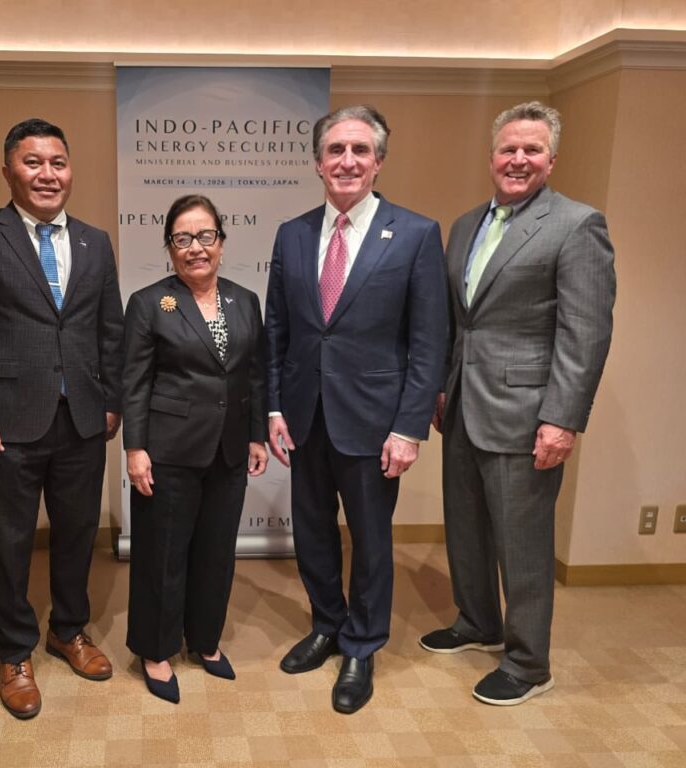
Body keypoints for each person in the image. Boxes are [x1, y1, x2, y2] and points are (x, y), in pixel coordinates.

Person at [419, 101, 615, 706]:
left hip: (528, 415)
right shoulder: (466, 224)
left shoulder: (578, 225)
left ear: (552, 159)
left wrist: (562, 418)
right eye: (508, 149)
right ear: (492, 157)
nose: (518, 159)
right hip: (463, 406)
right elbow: (462, 321)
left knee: (523, 544)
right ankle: (478, 623)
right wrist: (443, 385)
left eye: (532, 150)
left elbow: (585, 332)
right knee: (467, 528)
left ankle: (529, 662)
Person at [0, 118, 124, 720]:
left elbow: (109, 329)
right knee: (10, 542)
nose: (48, 174)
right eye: (34, 162)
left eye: (58, 163)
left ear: (71, 171)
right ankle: (14, 649)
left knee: (76, 534)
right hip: (6, 420)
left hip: (83, 419)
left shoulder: (95, 242)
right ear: (8, 171)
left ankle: (68, 630)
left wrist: (113, 397)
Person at [265, 105, 447, 714]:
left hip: (375, 423)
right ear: (318, 161)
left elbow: (428, 341)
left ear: (378, 161)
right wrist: (272, 408)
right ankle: (326, 624)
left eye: (360, 151)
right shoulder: (291, 233)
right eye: (336, 150)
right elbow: (277, 331)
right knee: (312, 532)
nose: (347, 161)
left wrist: (408, 426)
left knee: (370, 542)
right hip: (304, 415)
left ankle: (362, 646)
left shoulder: (417, 233)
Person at [123, 195, 268, 704]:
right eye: (182, 239)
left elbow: (254, 374)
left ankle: (204, 640)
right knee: (162, 555)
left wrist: (255, 434)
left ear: (222, 244)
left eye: (205, 236)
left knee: (215, 554)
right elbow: (135, 382)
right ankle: (156, 649)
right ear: (169, 249)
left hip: (228, 451)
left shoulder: (244, 300)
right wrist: (135, 448)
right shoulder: (149, 302)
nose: (195, 248)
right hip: (168, 451)